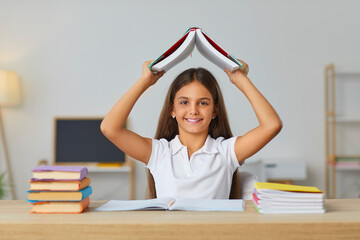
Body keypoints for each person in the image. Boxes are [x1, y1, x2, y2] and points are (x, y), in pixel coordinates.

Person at [101, 59, 282, 199]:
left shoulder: (226, 152)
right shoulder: (159, 153)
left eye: (203, 103)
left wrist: (241, 80)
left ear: (214, 111)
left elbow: (272, 125)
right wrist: (144, 81)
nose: (193, 110)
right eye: (184, 102)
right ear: (172, 109)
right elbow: (110, 128)